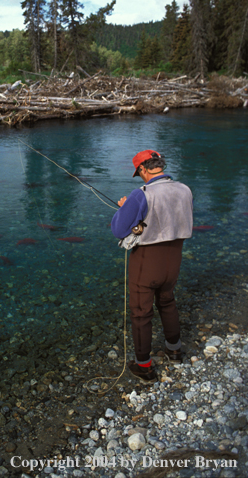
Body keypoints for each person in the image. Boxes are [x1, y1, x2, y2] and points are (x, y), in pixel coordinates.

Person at [111, 150, 193, 383]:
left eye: (139, 173)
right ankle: (174, 350)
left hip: (147, 261)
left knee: (141, 312)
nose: (141, 177)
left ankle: (144, 366)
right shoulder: (185, 189)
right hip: (174, 259)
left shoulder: (142, 193)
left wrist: (124, 208)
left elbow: (118, 229)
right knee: (167, 301)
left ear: (144, 169)